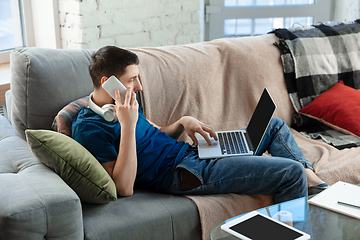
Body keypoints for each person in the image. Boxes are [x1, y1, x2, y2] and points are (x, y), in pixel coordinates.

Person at [72, 46, 328, 204]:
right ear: (108, 82)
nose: (139, 87)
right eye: (132, 80)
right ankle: (311, 189)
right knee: (290, 171)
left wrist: (182, 123)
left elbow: (157, 134)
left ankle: (315, 184)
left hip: (194, 152)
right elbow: (123, 187)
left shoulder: (126, 104)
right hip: (185, 172)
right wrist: (127, 126)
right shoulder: (90, 128)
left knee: (273, 125)